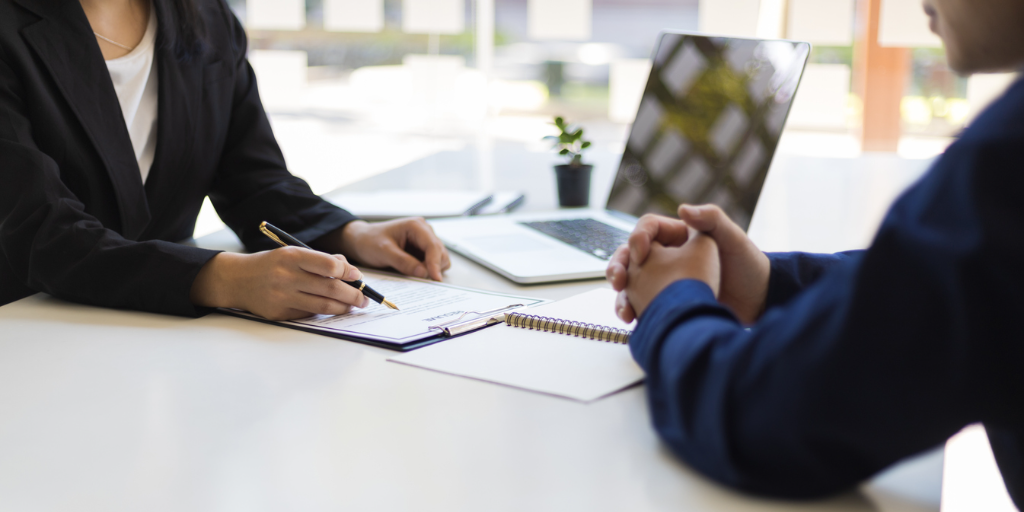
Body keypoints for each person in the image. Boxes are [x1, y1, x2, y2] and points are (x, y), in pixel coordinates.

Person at [607, 0, 1024, 504]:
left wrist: (673, 301)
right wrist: (769, 283)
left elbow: (757, 416)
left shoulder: (1006, 159)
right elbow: (936, 283)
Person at [0, 0, 450, 320]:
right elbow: (39, 232)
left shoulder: (205, 18)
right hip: (30, 334)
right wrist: (223, 279)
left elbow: (252, 179)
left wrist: (354, 234)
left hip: (152, 340)